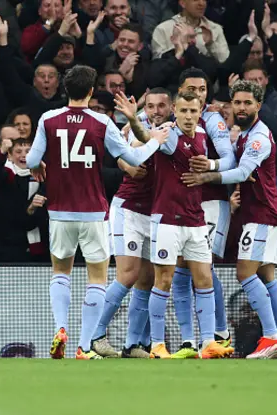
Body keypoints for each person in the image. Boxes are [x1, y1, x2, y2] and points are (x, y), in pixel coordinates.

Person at [26, 65, 170, 360]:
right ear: (91, 92)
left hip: (59, 210)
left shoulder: (48, 119)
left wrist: (36, 166)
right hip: (93, 211)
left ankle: (60, 328)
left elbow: (30, 158)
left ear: (66, 89)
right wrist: (155, 140)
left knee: (61, 273)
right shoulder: (101, 121)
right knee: (96, 278)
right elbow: (132, 157)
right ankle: (84, 346)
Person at [182, 80, 277, 359]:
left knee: (245, 273)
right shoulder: (245, 134)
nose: (241, 108)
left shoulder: (257, 137)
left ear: (258, 105)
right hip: (262, 213)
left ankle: (270, 337)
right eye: (237, 102)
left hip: (262, 214)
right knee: (267, 278)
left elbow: (243, 172)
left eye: (248, 103)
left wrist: (207, 176)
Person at [146, 90, 234, 360]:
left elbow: (227, 160)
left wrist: (209, 169)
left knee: (205, 278)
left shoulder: (202, 137)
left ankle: (207, 341)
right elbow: (148, 139)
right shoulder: (168, 133)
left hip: (195, 219)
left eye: (193, 111)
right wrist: (134, 121)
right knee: (164, 279)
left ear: (200, 113)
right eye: (183, 110)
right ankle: (157, 344)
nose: (187, 116)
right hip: (167, 218)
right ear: (174, 109)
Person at [90, 88, 175, 359]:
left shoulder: (172, 129)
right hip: (128, 208)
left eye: (161, 106)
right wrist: (127, 166)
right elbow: (128, 150)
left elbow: (139, 145)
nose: (156, 111)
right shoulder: (138, 129)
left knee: (147, 279)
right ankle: (94, 335)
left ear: (170, 107)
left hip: (157, 213)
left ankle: (133, 343)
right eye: (150, 106)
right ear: (145, 109)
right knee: (128, 274)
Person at [169, 67, 236, 358]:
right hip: (180, 202)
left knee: (203, 266)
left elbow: (229, 158)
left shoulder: (213, 120)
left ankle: (219, 333)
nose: (198, 94)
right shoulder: (175, 120)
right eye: (192, 89)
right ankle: (189, 340)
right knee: (183, 268)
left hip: (210, 201)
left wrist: (208, 169)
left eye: (202, 89)